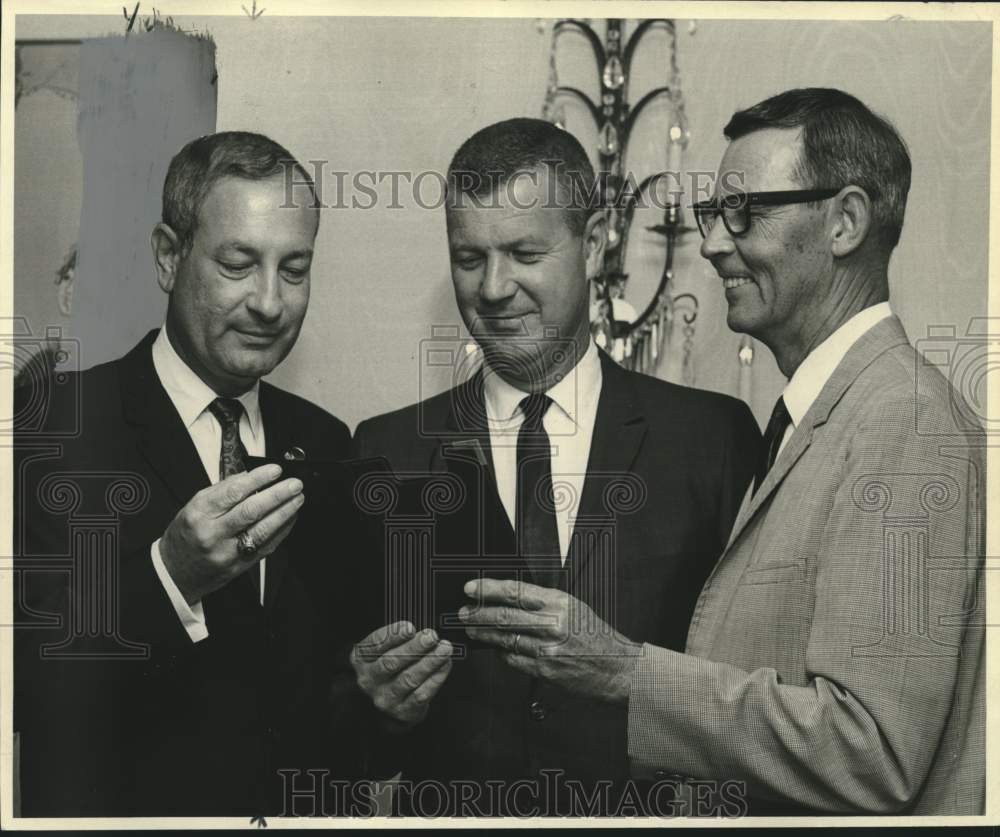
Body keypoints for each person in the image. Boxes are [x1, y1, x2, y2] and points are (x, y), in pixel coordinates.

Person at [458, 90, 985, 816]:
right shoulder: (818, 417)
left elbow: (874, 753)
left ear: (847, 221)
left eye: (746, 212)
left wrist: (627, 672)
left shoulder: (905, 419)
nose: (711, 243)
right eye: (712, 214)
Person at [349, 117, 761, 816]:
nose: (493, 286)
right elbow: (337, 721)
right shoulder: (384, 450)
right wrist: (375, 706)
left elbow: (750, 690)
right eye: (468, 257)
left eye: (523, 252)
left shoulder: (713, 438)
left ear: (596, 240)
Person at [14, 131, 368, 816]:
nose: (270, 302)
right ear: (169, 257)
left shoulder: (324, 440)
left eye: (294, 269)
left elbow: (317, 697)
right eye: (239, 264)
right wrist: (167, 575)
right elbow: (24, 688)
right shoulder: (49, 425)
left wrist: (378, 699)